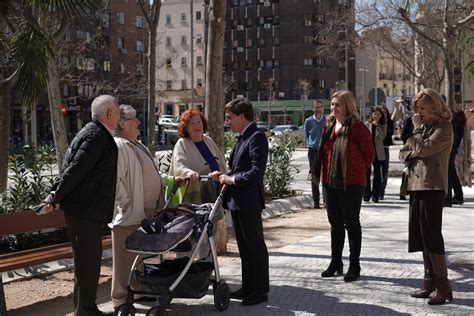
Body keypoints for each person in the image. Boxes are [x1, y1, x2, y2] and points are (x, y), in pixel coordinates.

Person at [44, 95, 120, 316]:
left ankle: (84, 308)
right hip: (85, 211)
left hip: (85, 210)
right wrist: (55, 197)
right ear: (108, 114)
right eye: (117, 111)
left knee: (87, 263)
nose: (118, 116)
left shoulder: (91, 132)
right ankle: (85, 310)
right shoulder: (97, 136)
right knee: (88, 264)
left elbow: (73, 167)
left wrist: (55, 194)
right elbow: (76, 170)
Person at [109, 105, 186, 308]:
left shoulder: (136, 144)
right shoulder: (119, 146)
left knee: (139, 256)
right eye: (134, 119)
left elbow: (150, 174)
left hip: (146, 210)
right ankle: (120, 299)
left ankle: (137, 292)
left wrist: (171, 180)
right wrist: (125, 205)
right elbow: (116, 181)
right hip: (130, 212)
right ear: (122, 123)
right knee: (124, 257)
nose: (138, 122)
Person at [210, 97, 269, 306]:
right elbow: (238, 169)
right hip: (238, 201)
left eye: (230, 117)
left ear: (242, 117)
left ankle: (260, 291)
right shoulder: (243, 137)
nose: (227, 122)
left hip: (249, 202)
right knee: (245, 248)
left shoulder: (256, 137)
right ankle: (248, 287)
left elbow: (256, 172)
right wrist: (223, 174)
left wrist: (231, 179)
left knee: (255, 247)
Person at [399, 88, 453, 305]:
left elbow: (425, 148)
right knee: (420, 235)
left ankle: (443, 286)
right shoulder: (424, 128)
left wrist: (417, 132)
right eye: (417, 109)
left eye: (423, 108)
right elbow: (404, 152)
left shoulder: (444, 128)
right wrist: (415, 147)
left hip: (433, 186)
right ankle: (428, 282)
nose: (419, 113)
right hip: (415, 184)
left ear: (435, 107)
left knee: (432, 235)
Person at [313, 90, 374, 282]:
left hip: (352, 184)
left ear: (348, 106)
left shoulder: (358, 128)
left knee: (352, 223)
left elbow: (369, 154)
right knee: (335, 223)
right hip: (329, 182)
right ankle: (335, 262)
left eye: (337, 104)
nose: (333, 108)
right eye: (332, 104)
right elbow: (323, 151)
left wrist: (355, 170)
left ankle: (354, 265)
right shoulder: (329, 125)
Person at [169, 109, 227, 204]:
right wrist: (189, 173)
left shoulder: (208, 140)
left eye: (199, 122)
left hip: (216, 189)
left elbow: (221, 161)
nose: (197, 125)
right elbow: (178, 165)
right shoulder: (182, 143)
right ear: (186, 127)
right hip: (196, 193)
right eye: (192, 123)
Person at [303, 100, 326, 208]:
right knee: (315, 177)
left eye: (320, 107)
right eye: (316, 107)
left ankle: (327, 201)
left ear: (323, 108)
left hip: (325, 150)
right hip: (313, 151)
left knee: (326, 175)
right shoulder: (308, 121)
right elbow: (305, 136)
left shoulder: (327, 120)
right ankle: (316, 202)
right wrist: (310, 144)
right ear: (313, 108)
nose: (318, 109)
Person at [363, 106, 386, 203]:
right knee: (366, 173)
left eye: (378, 114)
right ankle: (366, 195)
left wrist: (377, 126)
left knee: (377, 173)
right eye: (374, 114)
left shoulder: (383, 125)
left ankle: (375, 195)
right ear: (372, 115)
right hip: (368, 151)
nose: (376, 116)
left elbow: (382, 136)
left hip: (378, 151)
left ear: (381, 116)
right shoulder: (367, 124)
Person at [445, 109, 465, 206]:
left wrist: (454, 145)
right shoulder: (451, 113)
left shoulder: (446, 114)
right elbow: (461, 131)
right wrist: (455, 145)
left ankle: (448, 198)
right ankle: (458, 196)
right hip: (451, 148)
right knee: (451, 173)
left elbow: (461, 131)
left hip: (448, 148)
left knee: (448, 173)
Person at [380, 105, 394, 200]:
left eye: (385, 112)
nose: (384, 114)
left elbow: (390, 133)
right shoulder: (375, 123)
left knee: (384, 171)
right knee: (377, 172)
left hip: (385, 148)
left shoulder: (389, 123)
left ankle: (382, 191)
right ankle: (376, 192)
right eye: (382, 112)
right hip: (377, 148)